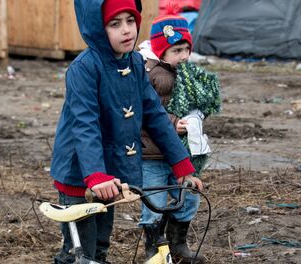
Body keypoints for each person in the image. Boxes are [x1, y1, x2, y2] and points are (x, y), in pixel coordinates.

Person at [49, 1, 203, 263]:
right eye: (115, 24)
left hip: (109, 175)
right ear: (98, 28)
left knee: (100, 245)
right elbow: (85, 124)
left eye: (130, 21)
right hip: (81, 173)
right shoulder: (84, 68)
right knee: (80, 252)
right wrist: (95, 175)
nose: (126, 31)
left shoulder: (135, 63)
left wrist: (181, 164)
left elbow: (155, 115)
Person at [140, 12, 220, 263]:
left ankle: (178, 244)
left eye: (187, 49)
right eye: (177, 50)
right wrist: (173, 123)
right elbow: (145, 113)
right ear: (160, 51)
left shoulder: (187, 76)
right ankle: (153, 247)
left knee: (188, 196)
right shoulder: (149, 75)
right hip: (152, 154)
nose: (184, 56)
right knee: (154, 202)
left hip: (181, 155)